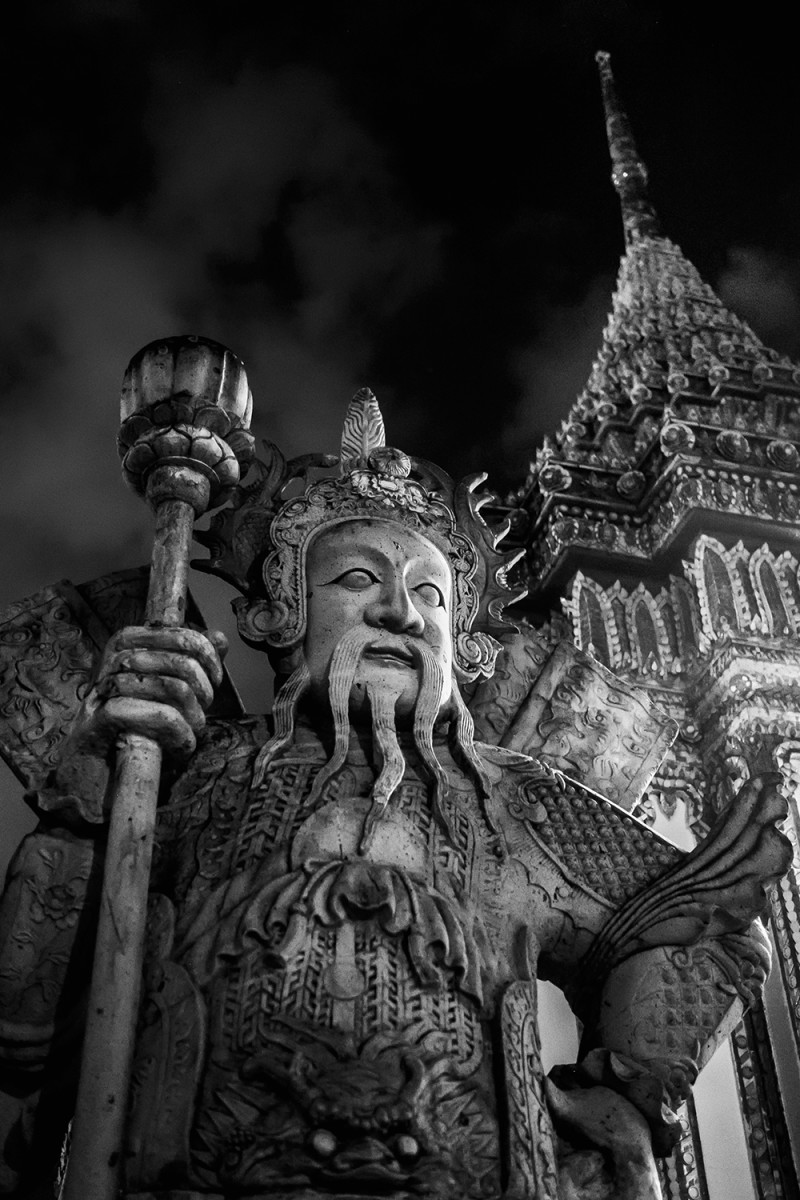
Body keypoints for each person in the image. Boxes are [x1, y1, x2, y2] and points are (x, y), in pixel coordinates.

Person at [0, 390, 791, 1199]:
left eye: (431, 595)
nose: (398, 614)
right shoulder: (191, 774)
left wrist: (627, 1088)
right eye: (354, 577)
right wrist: (91, 783)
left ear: (466, 644)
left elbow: (704, 918)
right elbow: (25, 1029)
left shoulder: (517, 804)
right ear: (280, 612)